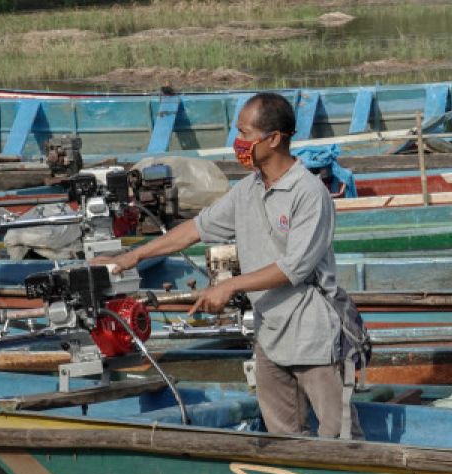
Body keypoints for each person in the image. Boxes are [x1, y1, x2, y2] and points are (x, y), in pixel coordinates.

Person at [94, 92, 360, 439]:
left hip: (312, 335)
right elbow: (195, 228)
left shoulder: (309, 193)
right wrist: (131, 257)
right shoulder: (247, 189)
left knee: (341, 436)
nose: (239, 143)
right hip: (269, 333)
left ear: (275, 139)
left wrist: (230, 285)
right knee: (283, 436)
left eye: (246, 134)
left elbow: (293, 267)